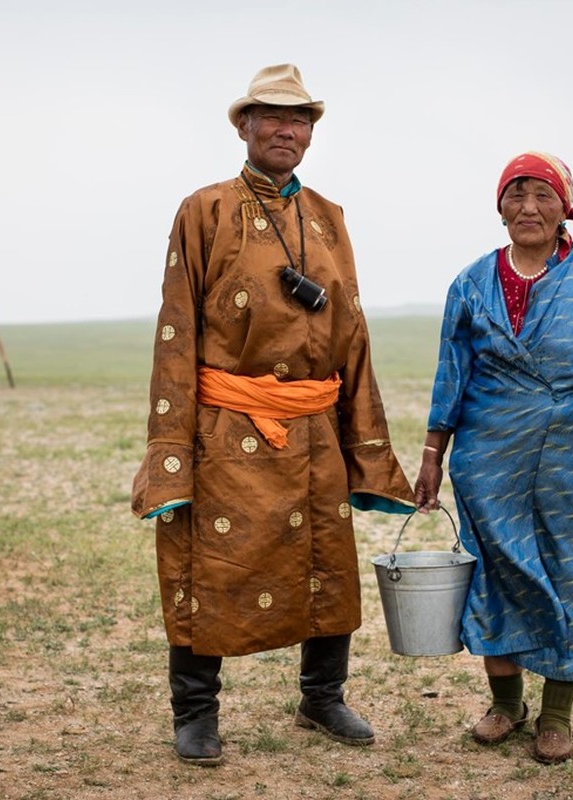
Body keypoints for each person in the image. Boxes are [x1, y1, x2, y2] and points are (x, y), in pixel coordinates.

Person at [131, 64, 415, 767]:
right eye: (273, 117)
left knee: (327, 558)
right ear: (244, 126)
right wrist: (172, 450)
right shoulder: (204, 211)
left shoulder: (329, 218)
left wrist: (364, 444)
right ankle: (195, 713)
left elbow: (351, 330)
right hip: (227, 427)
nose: (288, 130)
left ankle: (322, 696)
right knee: (208, 562)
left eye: (301, 120)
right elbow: (176, 333)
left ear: (311, 134)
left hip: (314, 426)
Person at [413, 152, 573, 765]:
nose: (528, 207)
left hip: (568, 450)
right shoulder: (470, 282)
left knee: (569, 570)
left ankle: (556, 714)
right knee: (497, 572)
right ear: (499, 207)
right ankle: (506, 703)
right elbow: (452, 371)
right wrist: (433, 454)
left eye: (542, 195)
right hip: (486, 454)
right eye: (515, 195)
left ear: (564, 206)